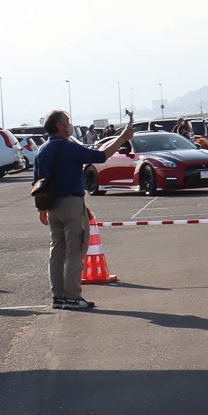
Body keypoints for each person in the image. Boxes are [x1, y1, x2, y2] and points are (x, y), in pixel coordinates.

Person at [36, 111, 136, 311]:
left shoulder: (42, 150)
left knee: (57, 251)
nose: (70, 125)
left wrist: (41, 208)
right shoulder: (68, 147)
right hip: (72, 204)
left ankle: (58, 296)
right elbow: (101, 156)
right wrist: (122, 138)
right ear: (59, 126)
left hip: (52, 205)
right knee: (76, 249)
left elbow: (38, 182)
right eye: (67, 122)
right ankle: (72, 297)